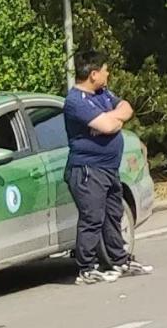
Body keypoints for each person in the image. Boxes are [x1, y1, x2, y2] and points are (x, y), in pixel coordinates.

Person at [64, 57, 150, 283]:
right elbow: (109, 125)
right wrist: (113, 120)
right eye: (105, 70)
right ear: (93, 74)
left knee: (114, 215)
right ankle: (87, 268)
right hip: (88, 170)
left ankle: (119, 260)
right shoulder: (76, 101)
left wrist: (113, 118)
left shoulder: (103, 94)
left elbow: (126, 108)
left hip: (109, 168)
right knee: (92, 218)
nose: (107, 74)